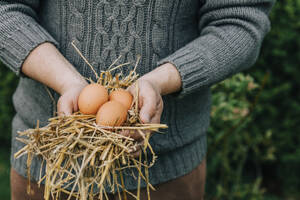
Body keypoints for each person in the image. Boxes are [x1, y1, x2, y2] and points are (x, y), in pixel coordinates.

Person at [0, 0, 275, 199]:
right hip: (47, 164)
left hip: (165, 174)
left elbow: (238, 21)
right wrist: (68, 82)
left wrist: (158, 82)